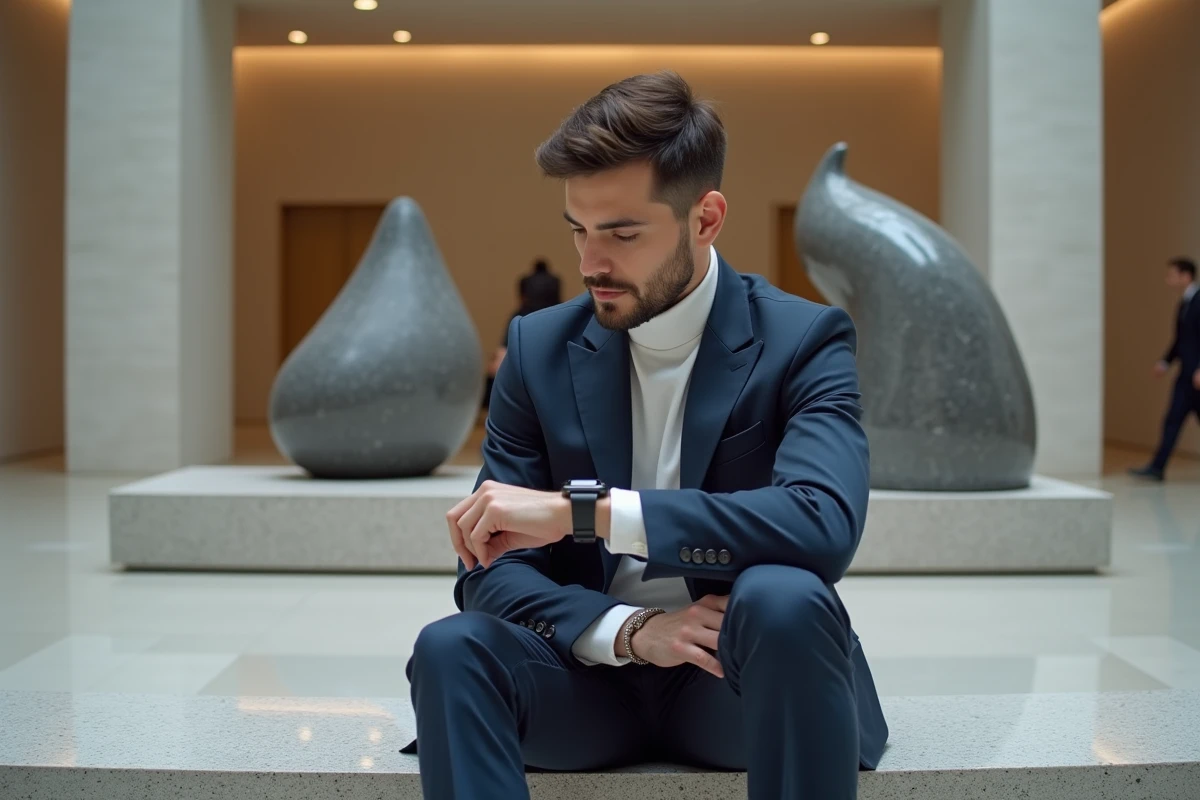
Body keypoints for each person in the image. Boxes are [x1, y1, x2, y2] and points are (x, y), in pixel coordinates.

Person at [405, 71, 888, 799]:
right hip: (586, 680)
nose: (591, 263)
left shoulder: (803, 339)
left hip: (738, 678)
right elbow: (489, 571)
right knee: (449, 648)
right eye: (579, 230)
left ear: (706, 218)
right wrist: (631, 630)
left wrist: (590, 513)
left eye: (623, 233)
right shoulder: (537, 349)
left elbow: (822, 524)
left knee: (785, 598)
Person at [1130, 257, 1200, 481]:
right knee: (1172, 419)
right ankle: (1157, 468)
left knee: (1175, 419)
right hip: (1186, 376)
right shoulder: (1184, 304)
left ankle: (1157, 467)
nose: (1168, 280)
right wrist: (1165, 362)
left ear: (1185, 276)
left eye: (1172, 275)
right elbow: (1181, 340)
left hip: (1197, 376)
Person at [484, 261, 563, 408]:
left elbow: (522, 298)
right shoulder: (555, 280)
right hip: (552, 315)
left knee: (505, 353)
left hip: (527, 314)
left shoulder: (525, 281)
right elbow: (558, 298)